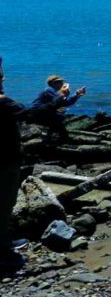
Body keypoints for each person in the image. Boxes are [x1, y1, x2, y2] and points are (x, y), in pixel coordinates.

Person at [0, 58, 68, 272]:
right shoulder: (3, 101)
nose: (4, 79)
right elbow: (30, 115)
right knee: (4, 204)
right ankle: (2, 251)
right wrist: (60, 99)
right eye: (1, 77)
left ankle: (4, 242)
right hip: (5, 161)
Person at [29, 74, 86, 141]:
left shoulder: (56, 92)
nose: (62, 83)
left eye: (62, 82)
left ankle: (53, 138)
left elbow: (66, 102)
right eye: (59, 82)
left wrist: (77, 95)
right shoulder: (49, 89)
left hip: (44, 112)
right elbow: (63, 100)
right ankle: (62, 138)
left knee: (59, 118)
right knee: (59, 118)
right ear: (53, 83)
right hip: (38, 111)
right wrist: (65, 93)